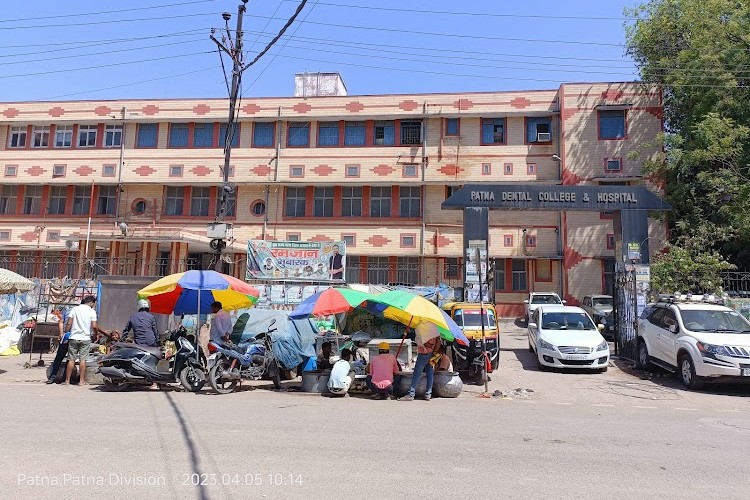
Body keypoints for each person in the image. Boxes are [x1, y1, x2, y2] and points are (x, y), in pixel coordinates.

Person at [64, 296, 110, 386]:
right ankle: (81, 381)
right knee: (83, 360)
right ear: (92, 302)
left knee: (71, 359)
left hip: (73, 337)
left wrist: (66, 332)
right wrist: (96, 334)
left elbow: (69, 323)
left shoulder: (75, 309)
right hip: (85, 338)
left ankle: (67, 381)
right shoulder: (92, 311)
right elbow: (94, 326)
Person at [399, 324, 441, 401]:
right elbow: (438, 340)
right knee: (429, 373)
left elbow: (421, 340)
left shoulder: (421, 326)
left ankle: (411, 394)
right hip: (432, 353)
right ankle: (428, 394)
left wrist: (407, 332)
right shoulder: (434, 327)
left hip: (424, 353)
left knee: (416, 373)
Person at [45, 308, 71, 384]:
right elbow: (65, 323)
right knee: (70, 358)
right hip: (74, 337)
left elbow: (61, 322)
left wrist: (61, 333)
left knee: (59, 357)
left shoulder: (67, 311)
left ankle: (53, 376)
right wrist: (63, 332)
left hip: (66, 336)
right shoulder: (76, 312)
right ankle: (66, 378)